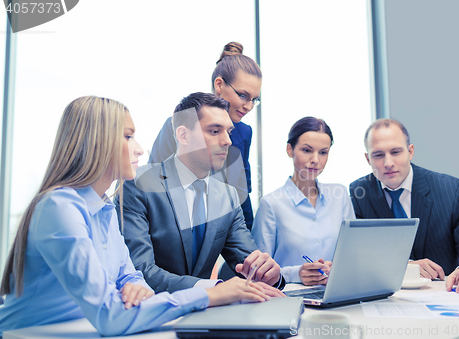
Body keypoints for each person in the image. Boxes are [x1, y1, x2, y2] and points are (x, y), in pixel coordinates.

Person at [0, 96, 279, 336]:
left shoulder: (105, 208)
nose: (140, 149)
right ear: (97, 141)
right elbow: (110, 314)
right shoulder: (59, 207)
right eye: (128, 136)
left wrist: (136, 289)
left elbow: (130, 277)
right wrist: (209, 293)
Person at [117, 92, 286, 294]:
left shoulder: (228, 197)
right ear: (183, 135)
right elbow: (140, 271)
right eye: (215, 131)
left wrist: (271, 275)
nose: (227, 141)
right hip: (157, 314)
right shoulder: (139, 184)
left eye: (228, 132)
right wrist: (214, 288)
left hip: (209, 316)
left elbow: (250, 264)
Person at [349, 118, 459, 293]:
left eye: (396, 152)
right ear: (368, 159)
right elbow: (359, 257)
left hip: (445, 299)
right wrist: (408, 266)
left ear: (410, 151)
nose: (388, 163)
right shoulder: (358, 192)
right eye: (378, 155)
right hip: (386, 300)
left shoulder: (450, 189)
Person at [149, 42, 260, 231]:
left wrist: (251, 250)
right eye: (243, 96)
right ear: (219, 84)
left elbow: (241, 196)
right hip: (175, 229)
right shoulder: (178, 124)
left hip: (221, 231)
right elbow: (154, 185)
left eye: (254, 100)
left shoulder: (244, 133)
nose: (248, 106)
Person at [251, 117, 355, 285]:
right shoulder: (271, 204)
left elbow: (353, 253)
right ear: (290, 150)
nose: (315, 159)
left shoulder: (340, 195)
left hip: (338, 291)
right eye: (307, 150)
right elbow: (258, 272)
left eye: (323, 152)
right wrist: (296, 273)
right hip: (289, 297)